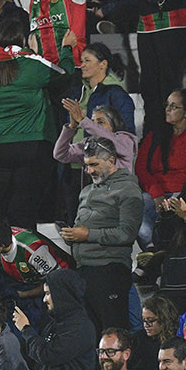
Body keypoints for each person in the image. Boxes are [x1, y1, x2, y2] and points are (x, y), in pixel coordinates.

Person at [0, 10, 60, 225]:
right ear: (23, 39)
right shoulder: (33, 65)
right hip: (30, 146)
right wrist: (53, 51)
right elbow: (62, 74)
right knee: (23, 213)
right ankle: (20, 258)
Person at [61, 139, 144, 332]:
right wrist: (72, 235)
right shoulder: (86, 191)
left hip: (109, 270)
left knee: (113, 332)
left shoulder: (128, 190)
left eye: (94, 164)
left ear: (111, 161)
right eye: (86, 165)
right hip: (84, 270)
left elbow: (127, 234)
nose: (89, 171)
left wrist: (88, 234)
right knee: (92, 334)